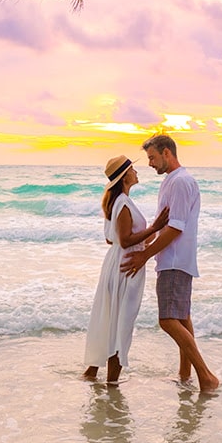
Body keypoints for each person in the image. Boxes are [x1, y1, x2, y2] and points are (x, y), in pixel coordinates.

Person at [120, 135, 220, 391]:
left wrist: (144, 255)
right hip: (174, 259)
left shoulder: (180, 182)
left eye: (152, 157)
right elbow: (164, 224)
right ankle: (186, 375)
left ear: (167, 153)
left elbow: (176, 228)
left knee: (167, 320)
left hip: (174, 260)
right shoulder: (171, 182)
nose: (150, 163)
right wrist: (140, 242)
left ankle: (206, 377)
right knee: (182, 318)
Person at [83, 155, 169, 383]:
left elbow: (114, 241)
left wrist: (155, 240)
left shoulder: (120, 202)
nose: (136, 172)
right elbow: (124, 240)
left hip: (119, 264)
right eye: (132, 169)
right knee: (122, 324)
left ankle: (93, 375)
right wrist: (155, 228)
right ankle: (111, 385)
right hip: (125, 268)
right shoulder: (122, 202)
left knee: (112, 320)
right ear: (124, 178)